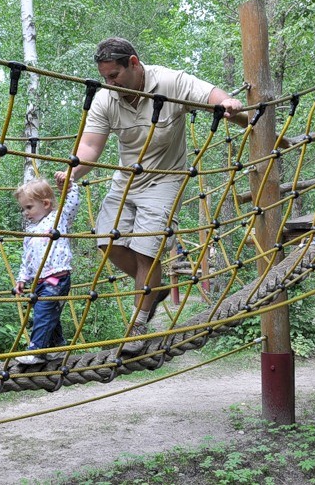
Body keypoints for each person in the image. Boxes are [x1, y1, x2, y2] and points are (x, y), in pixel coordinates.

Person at [56, 36, 243, 355]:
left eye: (114, 76)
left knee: (147, 251)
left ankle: (138, 325)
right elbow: (90, 147)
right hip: (128, 177)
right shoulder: (106, 99)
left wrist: (230, 106)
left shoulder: (171, 82)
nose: (110, 84)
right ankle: (154, 286)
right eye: (105, 78)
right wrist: (73, 172)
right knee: (106, 240)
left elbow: (215, 96)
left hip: (165, 180)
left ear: (133, 63)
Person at [13, 175, 80, 364]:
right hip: (39, 281)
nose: (25, 213)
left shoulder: (57, 219)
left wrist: (70, 186)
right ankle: (57, 346)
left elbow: (72, 204)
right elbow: (26, 258)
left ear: (46, 203)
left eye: (29, 207)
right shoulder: (31, 231)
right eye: (23, 208)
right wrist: (22, 278)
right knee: (49, 313)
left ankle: (37, 351)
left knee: (43, 311)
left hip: (56, 278)